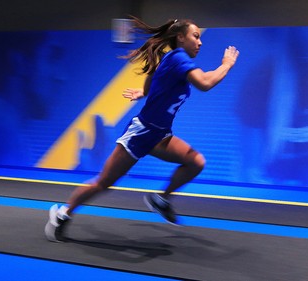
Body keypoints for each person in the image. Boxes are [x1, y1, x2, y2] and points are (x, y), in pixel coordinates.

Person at [45, 16, 239, 242]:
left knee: (196, 162)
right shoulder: (178, 57)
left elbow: (153, 74)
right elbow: (205, 83)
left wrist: (143, 93)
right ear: (180, 37)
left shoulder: (170, 59)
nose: (200, 42)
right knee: (104, 183)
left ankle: (161, 199)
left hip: (160, 135)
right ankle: (62, 214)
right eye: (195, 36)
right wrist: (226, 64)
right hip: (141, 133)